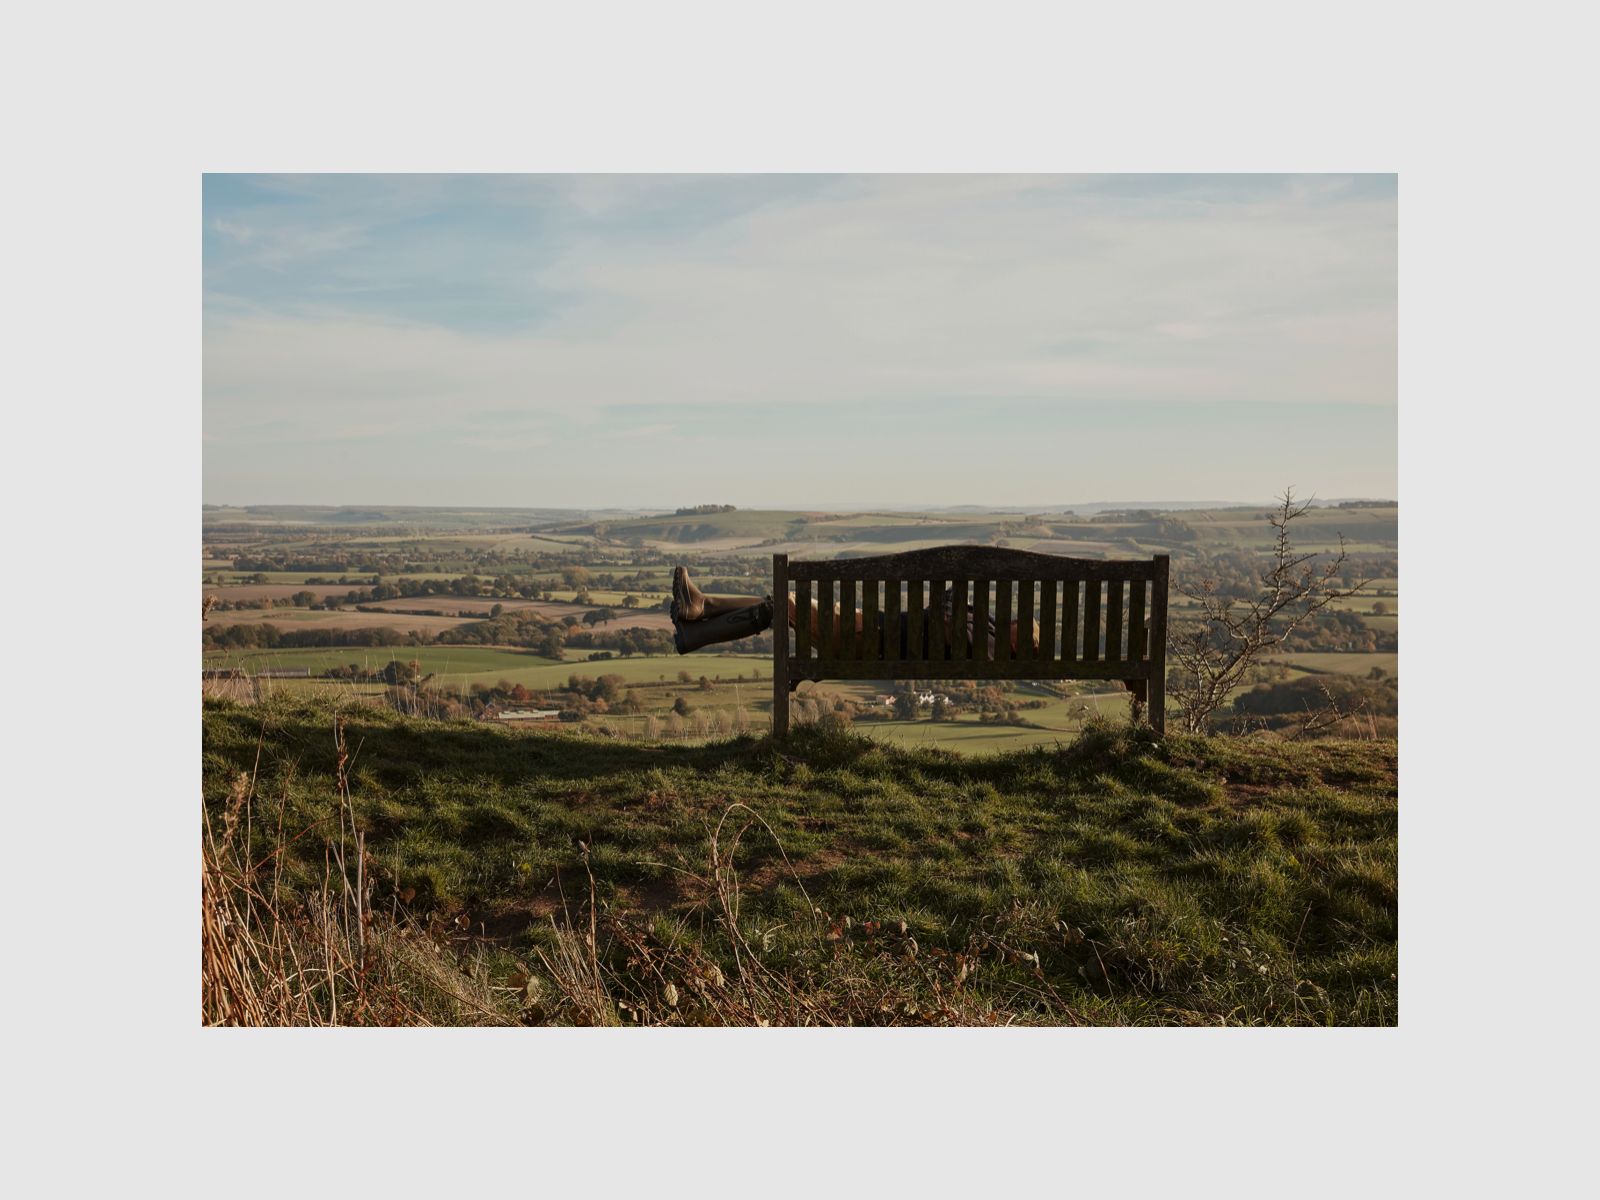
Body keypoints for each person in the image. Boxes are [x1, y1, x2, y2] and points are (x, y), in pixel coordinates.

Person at [669, 566, 1035, 657]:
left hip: (868, 639)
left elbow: (942, 617)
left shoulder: (988, 646)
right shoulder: (987, 631)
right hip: (869, 629)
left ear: (1019, 645)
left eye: (1022, 627)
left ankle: (699, 617)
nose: (1015, 621)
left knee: (784, 604)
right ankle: (697, 619)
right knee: (780, 605)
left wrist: (958, 607)